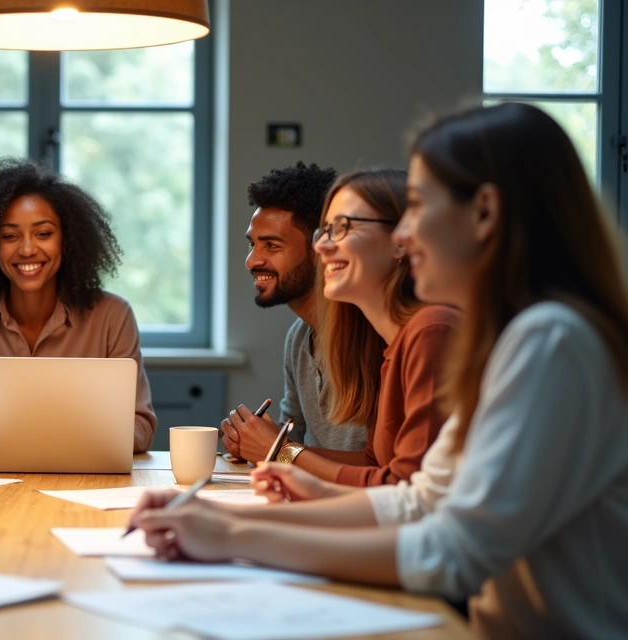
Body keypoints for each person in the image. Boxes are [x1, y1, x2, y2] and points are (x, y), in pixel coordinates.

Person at [130, 103, 628, 638]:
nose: (404, 234)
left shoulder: (550, 339)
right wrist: (222, 518)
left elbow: (452, 550)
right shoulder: (513, 338)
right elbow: (419, 502)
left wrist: (233, 537)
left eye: (417, 207)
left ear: (484, 212)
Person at [222, 169, 457, 486]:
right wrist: (268, 447)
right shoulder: (393, 343)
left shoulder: (428, 333)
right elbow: (380, 473)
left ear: (403, 240)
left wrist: (281, 452)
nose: (323, 246)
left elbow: (400, 490)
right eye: (326, 231)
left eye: (343, 228)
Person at [0, 158, 157, 455]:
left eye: (43, 234)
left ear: (67, 241)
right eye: (9, 236)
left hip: (82, 476)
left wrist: (56, 443)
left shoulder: (113, 316)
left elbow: (139, 426)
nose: (27, 249)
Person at [233, 161, 366, 452]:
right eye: (252, 244)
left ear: (319, 249)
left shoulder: (372, 336)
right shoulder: (298, 336)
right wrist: (256, 443)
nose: (251, 261)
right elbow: (292, 437)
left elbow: (381, 468)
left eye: (272, 246)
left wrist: (277, 450)